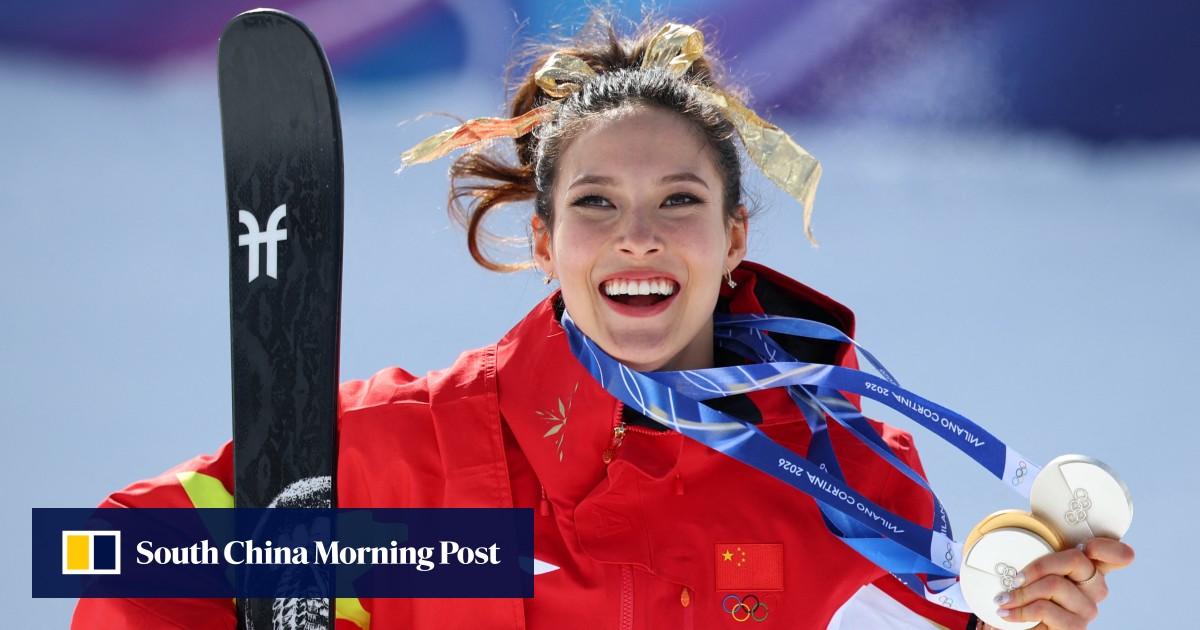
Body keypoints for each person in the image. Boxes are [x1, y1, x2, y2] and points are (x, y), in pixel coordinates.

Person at [72, 14, 1132, 630]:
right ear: (544, 245)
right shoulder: (413, 449)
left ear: (735, 239)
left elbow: (974, 601)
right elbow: (107, 554)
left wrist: (1037, 604)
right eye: (594, 205)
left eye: (680, 201)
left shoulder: (834, 457)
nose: (638, 237)